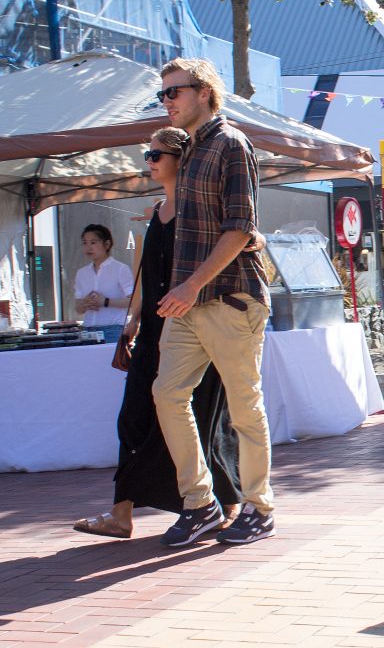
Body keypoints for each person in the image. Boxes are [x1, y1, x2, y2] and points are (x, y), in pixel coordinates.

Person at [73, 128, 242, 539]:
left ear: (181, 159)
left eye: (156, 155)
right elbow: (147, 276)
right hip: (152, 329)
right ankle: (121, 513)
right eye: (147, 155)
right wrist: (132, 319)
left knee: (207, 415)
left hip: (196, 326)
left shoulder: (198, 208)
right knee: (133, 417)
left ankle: (229, 504)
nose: (149, 161)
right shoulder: (157, 210)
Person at [152, 58, 276, 547]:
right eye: (162, 95)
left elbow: (241, 228)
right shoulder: (188, 151)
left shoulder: (231, 143)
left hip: (229, 298)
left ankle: (260, 507)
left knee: (244, 408)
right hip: (189, 302)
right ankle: (200, 503)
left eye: (173, 92)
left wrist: (190, 285)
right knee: (167, 394)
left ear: (203, 91)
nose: (166, 102)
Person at [73, 224, 134, 343]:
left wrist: (105, 302)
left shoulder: (120, 269)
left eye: (93, 242)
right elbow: (78, 308)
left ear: (107, 244)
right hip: (87, 330)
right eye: (85, 243)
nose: (88, 247)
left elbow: (133, 301)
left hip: (113, 330)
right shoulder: (81, 273)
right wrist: (84, 304)